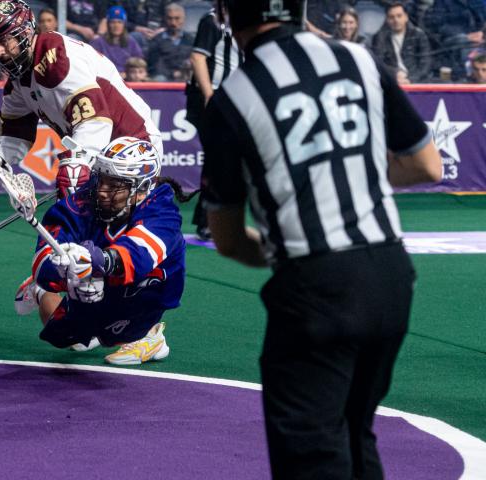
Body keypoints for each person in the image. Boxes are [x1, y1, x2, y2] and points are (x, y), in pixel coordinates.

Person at [200, 1, 443, 477]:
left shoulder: (233, 98)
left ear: (229, 16)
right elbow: (426, 165)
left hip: (316, 283)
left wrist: (298, 251)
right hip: (391, 275)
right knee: (356, 434)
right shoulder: (357, 58)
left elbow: (227, 240)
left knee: (312, 454)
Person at [0, 0, 163, 200]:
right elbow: (16, 134)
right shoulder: (18, 80)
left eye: (4, 40)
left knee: (103, 225)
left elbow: (95, 121)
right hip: (101, 152)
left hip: (135, 145)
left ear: (24, 32)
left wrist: (79, 162)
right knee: (64, 225)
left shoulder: (58, 56)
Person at [14, 137, 187, 363]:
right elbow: (42, 262)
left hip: (144, 291)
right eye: (102, 180)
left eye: (115, 185)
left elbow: (140, 254)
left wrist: (96, 261)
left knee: (126, 332)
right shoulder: (76, 207)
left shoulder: (163, 212)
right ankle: (39, 293)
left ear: (142, 188)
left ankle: (150, 336)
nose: (103, 191)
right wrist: (65, 271)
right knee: (63, 337)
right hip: (91, 281)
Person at [185, 4, 241, 241]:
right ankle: (208, 221)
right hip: (213, 94)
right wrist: (210, 96)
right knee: (219, 157)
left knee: (226, 158)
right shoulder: (212, 20)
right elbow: (198, 57)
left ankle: (211, 219)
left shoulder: (242, 20)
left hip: (231, 94)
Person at [370, 3, 432, 83]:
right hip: (391, 82)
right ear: (387, 20)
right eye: (391, 17)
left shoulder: (418, 35)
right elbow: (378, 63)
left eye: (399, 16)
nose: (396, 20)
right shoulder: (380, 37)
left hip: (415, 82)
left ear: (406, 17)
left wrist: (410, 79)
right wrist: (395, 74)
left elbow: (425, 65)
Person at [146, 3, 194, 81]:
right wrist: (172, 73)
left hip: (185, 76)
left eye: (177, 18)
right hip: (164, 79)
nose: (173, 23)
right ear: (164, 19)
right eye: (169, 18)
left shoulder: (191, 40)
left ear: (183, 19)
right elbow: (155, 66)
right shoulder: (156, 41)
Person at [90, 6, 144, 72]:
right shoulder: (97, 42)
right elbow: (93, 65)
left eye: (119, 22)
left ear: (124, 24)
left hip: (128, 78)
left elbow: (139, 63)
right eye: (113, 22)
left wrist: (127, 73)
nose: (116, 26)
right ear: (108, 24)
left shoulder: (131, 42)